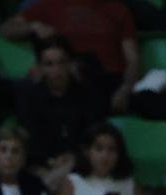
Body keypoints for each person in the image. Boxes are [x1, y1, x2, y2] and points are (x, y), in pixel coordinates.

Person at [2, 0, 166, 128]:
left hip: (113, 82)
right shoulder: (51, 5)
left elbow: (132, 59)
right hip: (75, 84)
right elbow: (7, 28)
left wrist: (125, 89)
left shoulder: (118, 9)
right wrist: (33, 26)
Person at [15, 36, 115, 171]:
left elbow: (94, 136)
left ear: (71, 64)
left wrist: (73, 156)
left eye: (61, 62)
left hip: (80, 164)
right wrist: (49, 161)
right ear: (40, 67)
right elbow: (28, 138)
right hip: (39, 165)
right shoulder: (29, 98)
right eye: (49, 64)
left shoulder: (88, 96)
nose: (56, 70)